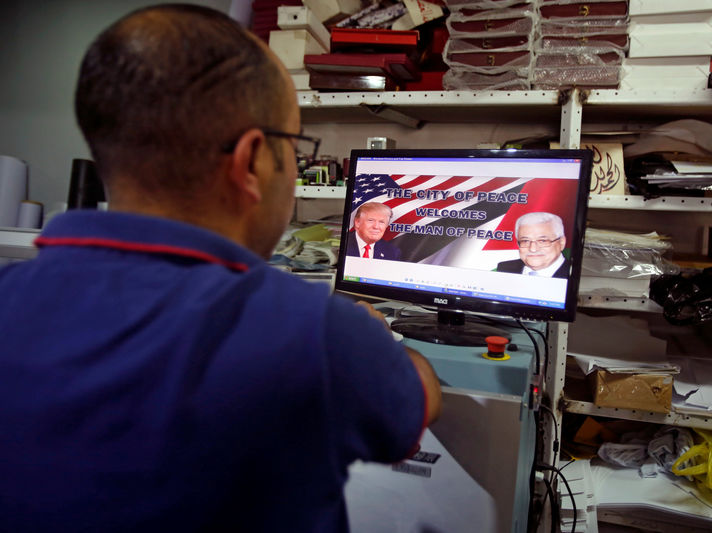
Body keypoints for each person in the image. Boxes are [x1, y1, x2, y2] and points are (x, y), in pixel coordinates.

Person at [0, 5, 440, 533]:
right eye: (294, 148)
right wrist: (379, 342)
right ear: (252, 160)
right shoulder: (316, 335)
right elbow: (416, 406)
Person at [496, 212, 570, 278]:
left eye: (543, 241)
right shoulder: (504, 269)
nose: (533, 249)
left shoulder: (574, 275)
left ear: (561, 242)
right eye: (525, 241)